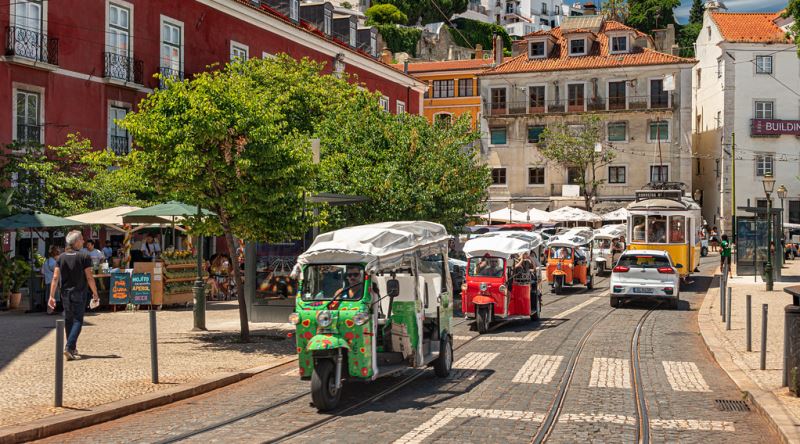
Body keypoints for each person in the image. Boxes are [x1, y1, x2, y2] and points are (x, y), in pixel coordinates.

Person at [48, 231, 100, 361]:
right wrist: (95, 293)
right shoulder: (84, 256)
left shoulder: (61, 257)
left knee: (69, 320)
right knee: (78, 320)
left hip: (65, 293)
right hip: (79, 292)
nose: (83, 241)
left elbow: (55, 278)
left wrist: (51, 296)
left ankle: (72, 348)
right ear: (76, 242)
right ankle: (69, 347)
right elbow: (89, 277)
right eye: (82, 239)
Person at [43, 246, 61, 315]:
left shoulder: (46, 261)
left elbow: (42, 271)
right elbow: (57, 272)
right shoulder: (54, 263)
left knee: (49, 296)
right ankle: (50, 311)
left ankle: (49, 310)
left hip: (47, 280)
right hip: (53, 282)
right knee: (53, 296)